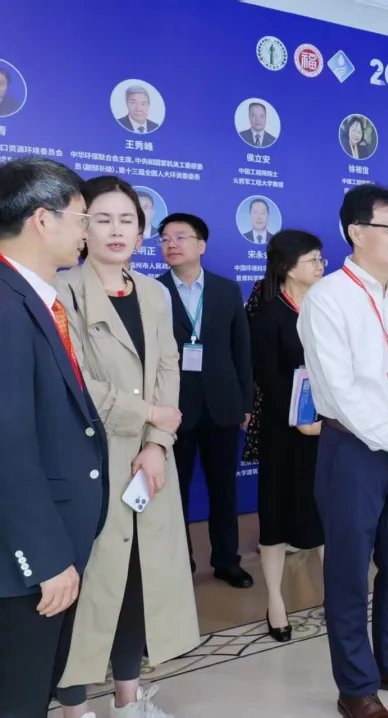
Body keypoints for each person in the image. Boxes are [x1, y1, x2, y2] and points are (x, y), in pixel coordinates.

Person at [54, 176, 198, 718]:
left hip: (148, 464)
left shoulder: (155, 293)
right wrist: (148, 416)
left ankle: (128, 697)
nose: (116, 231)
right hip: (89, 460)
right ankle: (73, 707)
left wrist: (158, 441)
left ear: (141, 232)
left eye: (127, 221)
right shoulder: (62, 291)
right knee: (86, 583)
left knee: (139, 576)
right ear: (81, 227)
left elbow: (168, 370)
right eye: (103, 219)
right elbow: (76, 381)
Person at [299, 185, 388, 718]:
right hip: (355, 449)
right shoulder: (327, 297)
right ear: (356, 232)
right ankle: (356, 686)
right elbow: (341, 393)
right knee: (348, 571)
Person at [0, 157, 107, 717]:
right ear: (43, 219)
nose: (88, 232)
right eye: (82, 218)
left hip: (50, 542)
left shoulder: (33, 296)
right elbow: (7, 443)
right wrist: (42, 555)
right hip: (24, 561)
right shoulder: (5, 304)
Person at [158, 213, 254, 588]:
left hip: (223, 406)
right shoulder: (153, 292)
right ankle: (179, 563)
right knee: (174, 494)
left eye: (180, 237)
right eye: (165, 238)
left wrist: (245, 403)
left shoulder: (226, 290)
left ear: (202, 245)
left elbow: (241, 350)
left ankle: (227, 561)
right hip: (174, 409)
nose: (171, 244)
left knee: (224, 490)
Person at [250, 231, 327, 643]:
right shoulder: (269, 312)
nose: (320, 265)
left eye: (321, 258)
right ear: (287, 266)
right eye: (312, 259)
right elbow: (267, 375)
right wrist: (299, 418)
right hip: (284, 430)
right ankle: (275, 601)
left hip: (327, 427)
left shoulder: (327, 306)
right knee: (276, 515)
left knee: (326, 512)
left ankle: (337, 595)